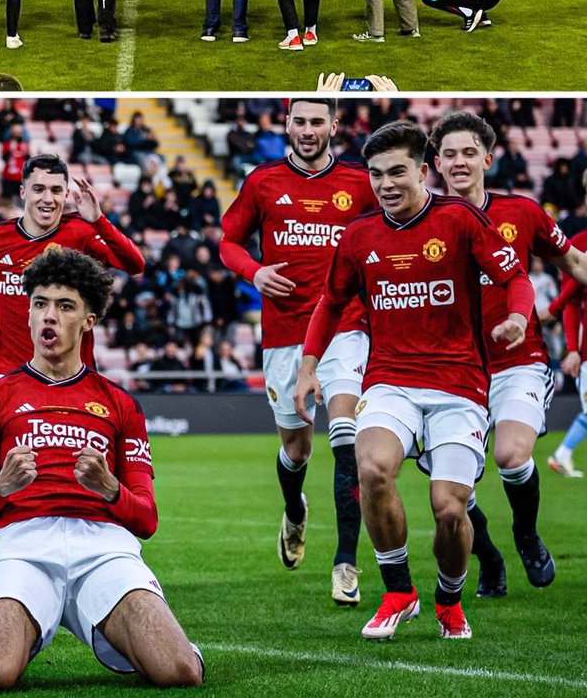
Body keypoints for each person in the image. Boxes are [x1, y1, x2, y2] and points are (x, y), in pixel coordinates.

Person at [294, 120, 535, 640]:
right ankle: (399, 592)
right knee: (371, 468)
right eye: (377, 175)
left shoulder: (461, 219)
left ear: (424, 171)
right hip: (390, 381)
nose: (385, 184)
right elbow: (332, 301)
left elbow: (515, 277)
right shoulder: (359, 235)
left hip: (460, 386)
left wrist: (517, 317)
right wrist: (309, 364)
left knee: (450, 509)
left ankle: (449, 600)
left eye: (397, 172)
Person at [0, 248, 203, 690]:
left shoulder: (120, 403)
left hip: (104, 547)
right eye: (40, 303)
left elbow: (146, 520)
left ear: (88, 320)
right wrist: (2, 486)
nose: (49, 316)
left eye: (65, 306)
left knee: (180, 672)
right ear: (28, 312)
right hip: (21, 546)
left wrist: (111, 489)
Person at [220, 98, 376, 605]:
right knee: (297, 448)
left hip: (344, 328)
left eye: (317, 121)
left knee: (347, 437)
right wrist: (254, 271)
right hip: (284, 333)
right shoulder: (263, 181)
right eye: (299, 121)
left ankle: (346, 562)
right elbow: (228, 242)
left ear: (335, 124)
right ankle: (294, 511)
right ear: (286, 124)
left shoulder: (359, 184)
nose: (308, 131)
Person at [432, 111, 587, 592]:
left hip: (518, 362)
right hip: (451, 370)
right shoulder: (421, 221)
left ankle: (526, 534)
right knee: (451, 492)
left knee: (511, 455)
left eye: (469, 153)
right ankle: (490, 558)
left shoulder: (521, 212)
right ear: (436, 163)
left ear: (488, 157)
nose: (460, 162)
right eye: (451, 154)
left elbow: (575, 262)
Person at [0, 154, 144, 378]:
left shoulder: (81, 233)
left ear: (66, 194)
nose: (47, 198)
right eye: (38, 189)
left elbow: (135, 265)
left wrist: (99, 220)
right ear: (23, 192)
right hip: (9, 370)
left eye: (55, 190)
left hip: (70, 374)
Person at [548, 230, 587, 476]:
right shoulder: (580, 242)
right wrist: (573, 349)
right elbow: (570, 300)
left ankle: (562, 454)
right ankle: (562, 454)